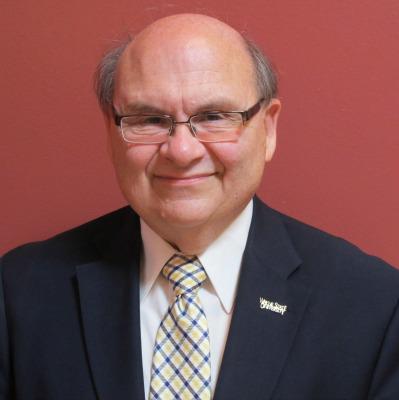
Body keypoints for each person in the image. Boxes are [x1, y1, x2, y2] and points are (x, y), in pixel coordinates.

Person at [1, 13, 399, 400]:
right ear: (112, 131)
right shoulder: (17, 294)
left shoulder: (375, 307)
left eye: (213, 116)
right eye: (149, 119)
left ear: (269, 129)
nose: (182, 150)